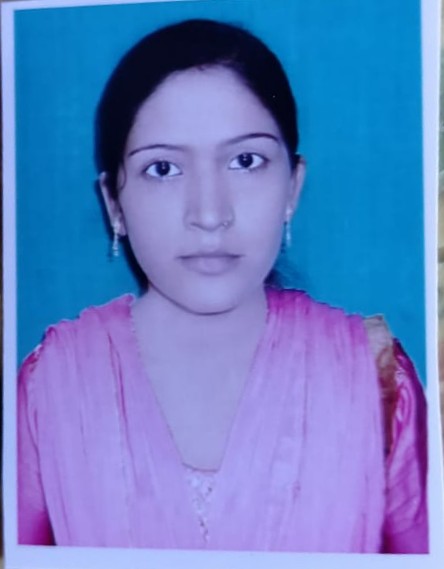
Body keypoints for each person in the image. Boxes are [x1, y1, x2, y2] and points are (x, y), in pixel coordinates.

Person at [17, 18, 428, 553]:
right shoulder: (49, 388)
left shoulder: (379, 384)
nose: (210, 214)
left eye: (245, 161)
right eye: (163, 169)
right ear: (114, 203)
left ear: (292, 187)